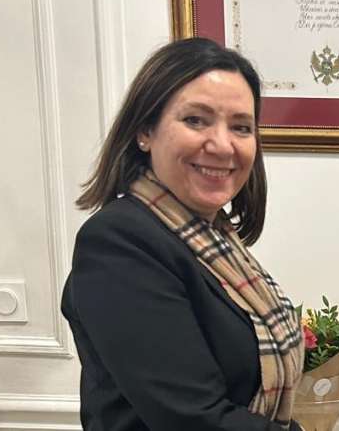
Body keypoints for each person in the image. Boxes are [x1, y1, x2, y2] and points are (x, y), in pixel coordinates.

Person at [61, 37, 304, 431]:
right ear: (145, 130)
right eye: (195, 120)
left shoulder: (214, 238)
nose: (222, 145)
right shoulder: (118, 242)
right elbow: (193, 418)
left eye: (241, 127)